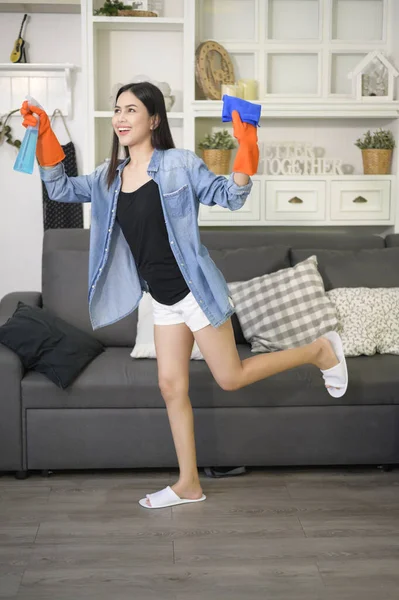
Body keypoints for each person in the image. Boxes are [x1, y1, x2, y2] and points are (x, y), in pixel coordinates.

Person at [20, 82, 348, 510]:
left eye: (131, 110)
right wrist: (45, 131)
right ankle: (188, 484)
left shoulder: (179, 165)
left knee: (230, 378)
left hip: (197, 292)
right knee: (171, 386)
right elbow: (61, 189)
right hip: (162, 299)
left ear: (153, 120)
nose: (120, 117)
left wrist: (246, 144)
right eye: (117, 109)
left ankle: (320, 350)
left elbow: (231, 195)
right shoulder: (108, 178)